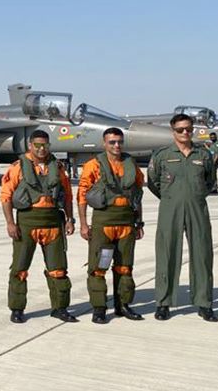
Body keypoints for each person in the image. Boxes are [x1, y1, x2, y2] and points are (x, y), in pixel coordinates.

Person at [0, 130, 77, 324]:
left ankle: (60, 308)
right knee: (19, 269)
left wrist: (70, 219)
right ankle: (17, 309)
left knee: (58, 270)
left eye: (45, 145)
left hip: (52, 223)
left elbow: (67, 195)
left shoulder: (57, 167)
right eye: (37, 146)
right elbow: (6, 197)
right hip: (27, 223)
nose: (41, 149)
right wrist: (10, 223)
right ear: (30, 146)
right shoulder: (18, 167)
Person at [147, 114, 218, 322]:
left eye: (188, 129)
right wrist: (170, 197)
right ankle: (163, 303)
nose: (185, 133)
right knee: (167, 254)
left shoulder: (203, 155)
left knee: (202, 255)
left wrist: (194, 195)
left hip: (197, 208)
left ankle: (204, 303)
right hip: (170, 209)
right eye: (180, 130)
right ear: (173, 131)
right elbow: (153, 182)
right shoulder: (162, 155)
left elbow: (209, 180)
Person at [78, 127, 145, 324]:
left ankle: (123, 305)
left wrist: (138, 222)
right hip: (103, 221)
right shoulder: (93, 165)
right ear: (104, 143)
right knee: (100, 266)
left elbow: (137, 194)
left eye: (119, 142)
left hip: (126, 222)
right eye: (112, 142)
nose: (117, 145)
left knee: (125, 267)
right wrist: (83, 224)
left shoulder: (131, 163)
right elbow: (82, 196)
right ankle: (99, 308)